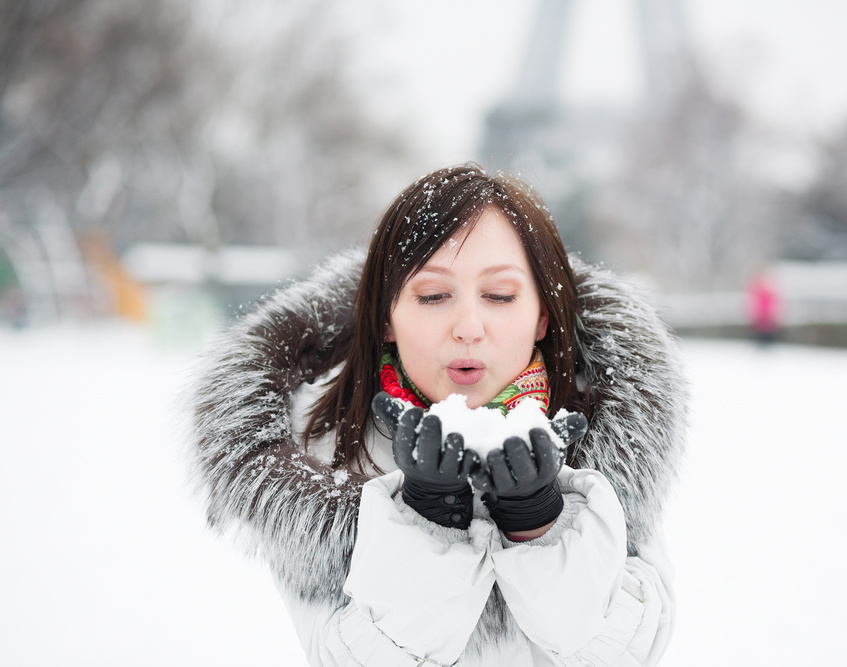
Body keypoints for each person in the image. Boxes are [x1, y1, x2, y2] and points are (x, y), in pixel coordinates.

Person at [188, 164, 688, 665]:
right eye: (432, 296)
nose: (469, 326)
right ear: (385, 315)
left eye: (499, 295)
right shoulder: (316, 456)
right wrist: (424, 522)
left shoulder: (606, 436)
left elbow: (629, 650)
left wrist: (541, 523)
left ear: (542, 315)